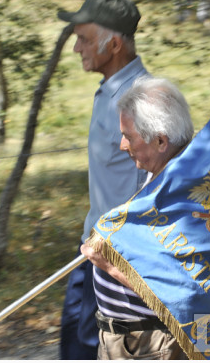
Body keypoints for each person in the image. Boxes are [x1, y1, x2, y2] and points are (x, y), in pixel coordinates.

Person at [57, 0, 149, 360]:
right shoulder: (111, 92)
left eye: (83, 38)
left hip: (115, 259)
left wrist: (122, 262)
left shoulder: (137, 100)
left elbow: (156, 183)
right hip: (94, 250)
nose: (76, 48)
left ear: (112, 45)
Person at [81, 77, 194, 359]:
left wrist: (110, 265)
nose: (122, 145)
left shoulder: (185, 193)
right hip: (125, 341)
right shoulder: (162, 175)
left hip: (153, 345)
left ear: (159, 141)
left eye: (128, 136)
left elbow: (182, 292)